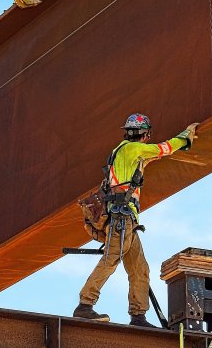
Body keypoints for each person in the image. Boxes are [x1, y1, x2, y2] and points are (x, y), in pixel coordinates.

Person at [73, 113, 199, 327]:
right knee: (110, 259)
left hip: (126, 220)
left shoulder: (122, 152)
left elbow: (150, 158)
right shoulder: (134, 149)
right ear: (145, 134)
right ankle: (85, 305)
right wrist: (186, 136)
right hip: (122, 219)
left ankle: (138, 316)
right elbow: (163, 149)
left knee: (139, 269)